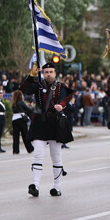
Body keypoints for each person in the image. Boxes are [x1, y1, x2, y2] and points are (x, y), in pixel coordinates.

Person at [20, 62, 74, 197]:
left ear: (55, 73)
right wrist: (31, 75)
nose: (48, 74)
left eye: (50, 72)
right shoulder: (38, 85)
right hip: (40, 122)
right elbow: (24, 89)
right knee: (38, 154)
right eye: (46, 72)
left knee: (56, 157)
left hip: (55, 122)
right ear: (43, 73)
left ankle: (57, 187)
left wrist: (61, 105)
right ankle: (35, 185)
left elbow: (68, 96)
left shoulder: (61, 87)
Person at [11, 90, 34, 154]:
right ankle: (30, 149)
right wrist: (31, 106)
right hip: (21, 119)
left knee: (15, 136)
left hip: (14, 120)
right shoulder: (21, 102)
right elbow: (29, 109)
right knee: (25, 135)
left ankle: (15, 150)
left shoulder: (13, 103)